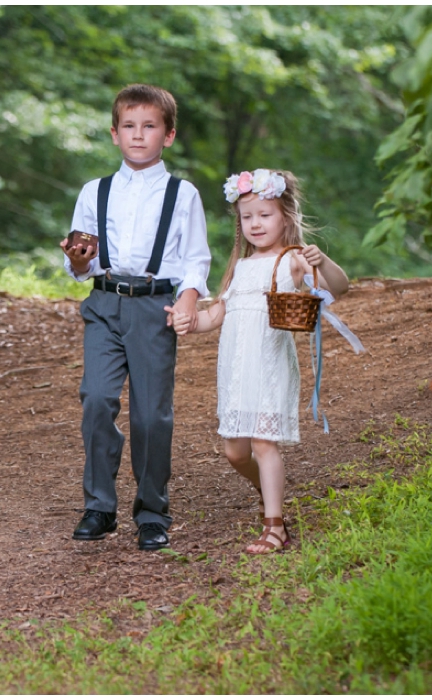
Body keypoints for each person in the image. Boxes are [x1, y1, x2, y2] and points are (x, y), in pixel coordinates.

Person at [60, 84, 211, 551]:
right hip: (104, 303)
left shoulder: (181, 194)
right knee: (97, 398)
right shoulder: (95, 191)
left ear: (168, 135)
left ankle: (151, 510)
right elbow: (78, 262)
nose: (138, 135)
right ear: (114, 133)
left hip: (154, 306)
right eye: (129, 126)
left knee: (151, 414)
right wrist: (81, 259)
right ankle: (99, 507)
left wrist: (188, 298)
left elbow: (196, 258)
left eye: (149, 127)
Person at [170, 168, 350, 554]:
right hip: (236, 372)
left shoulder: (293, 260)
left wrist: (324, 260)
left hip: (269, 367)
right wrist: (188, 322)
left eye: (264, 215)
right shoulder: (240, 267)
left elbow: (339, 286)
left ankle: (275, 527)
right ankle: (268, 490)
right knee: (235, 452)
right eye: (247, 217)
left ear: (285, 215)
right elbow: (216, 315)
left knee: (264, 443)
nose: (255, 224)